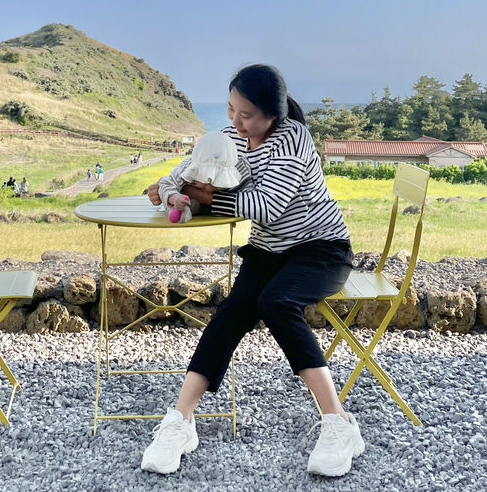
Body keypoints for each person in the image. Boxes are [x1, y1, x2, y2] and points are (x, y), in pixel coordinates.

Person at [141, 64, 362, 478]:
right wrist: (172, 188)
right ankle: (179, 422)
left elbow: (265, 207)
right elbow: (188, 167)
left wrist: (204, 200)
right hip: (268, 250)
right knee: (234, 310)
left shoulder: (293, 139)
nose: (234, 122)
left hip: (321, 250)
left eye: (245, 115)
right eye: (229, 109)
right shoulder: (230, 137)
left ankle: (339, 424)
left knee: (276, 302)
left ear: (271, 114)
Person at [158, 131, 251, 223]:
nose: (209, 188)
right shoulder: (186, 167)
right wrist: (174, 197)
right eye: (204, 181)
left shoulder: (242, 171)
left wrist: (208, 198)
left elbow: (249, 201)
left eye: (217, 182)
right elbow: (166, 182)